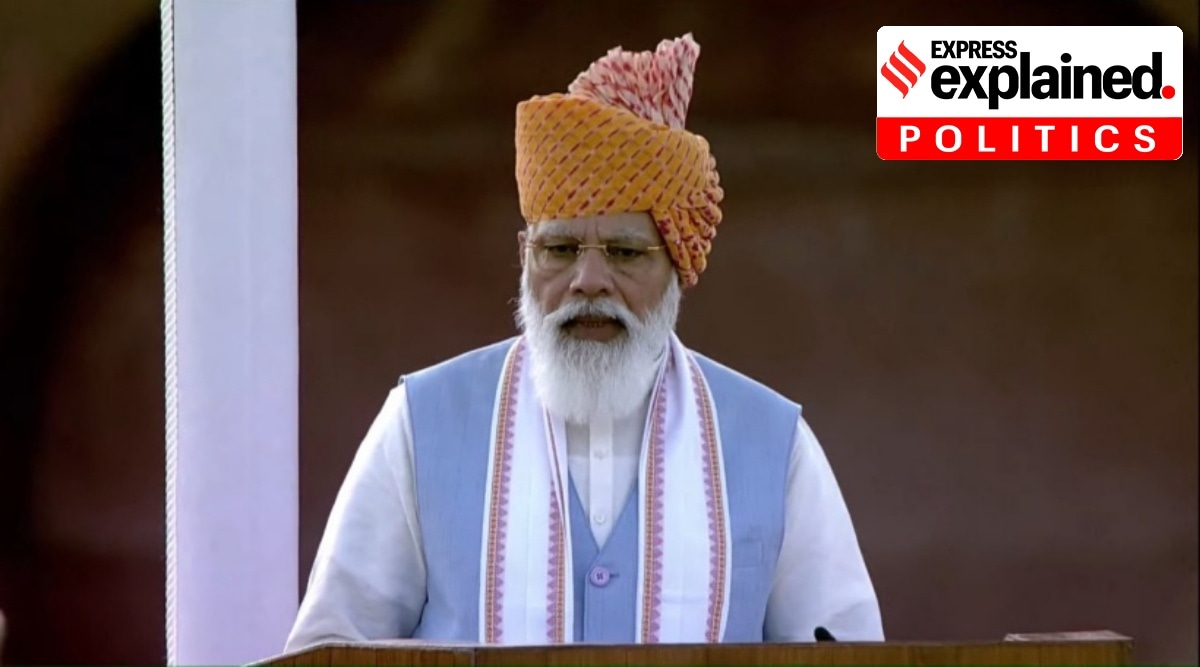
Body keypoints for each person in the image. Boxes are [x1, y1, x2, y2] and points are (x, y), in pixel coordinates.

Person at [286, 33, 883, 649]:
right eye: (561, 249)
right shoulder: (422, 422)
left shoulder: (771, 443)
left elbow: (846, 653)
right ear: (525, 256)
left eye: (626, 252)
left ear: (677, 267)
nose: (589, 281)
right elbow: (330, 651)